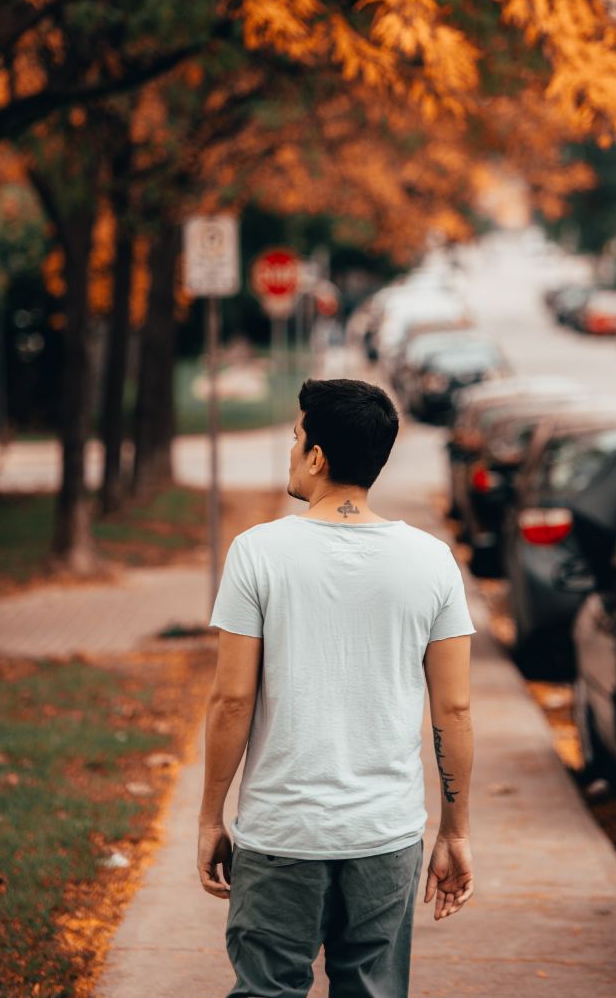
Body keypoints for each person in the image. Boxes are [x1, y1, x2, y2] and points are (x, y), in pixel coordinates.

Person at [198, 377, 475, 998]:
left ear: (317, 456)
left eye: (296, 438)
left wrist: (210, 814)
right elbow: (453, 709)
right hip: (385, 835)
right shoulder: (431, 561)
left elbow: (232, 700)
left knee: (267, 989)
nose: (291, 452)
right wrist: (454, 832)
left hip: (281, 834)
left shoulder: (256, 553)